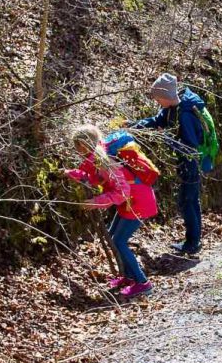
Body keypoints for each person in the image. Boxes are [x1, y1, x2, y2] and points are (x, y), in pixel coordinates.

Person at [65, 124, 156, 298]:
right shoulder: (98, 156)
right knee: (113, 236)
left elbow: (122, 192)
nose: (76, 151)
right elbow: (95, 178)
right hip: (131, 202)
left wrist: (96, 202)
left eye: (77, 146)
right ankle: (128, 277)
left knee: (119, 241)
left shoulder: (105, 160)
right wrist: (70, 173)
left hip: (138, 202)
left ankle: (142, 282)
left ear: (83, 145)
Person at [129, 74, 207, 256]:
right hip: (185, 162)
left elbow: (189, 146)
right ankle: (194, 240)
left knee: (187, 201)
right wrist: (133, 125)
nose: (157, 101)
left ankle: (192, 243)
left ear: (167, 96)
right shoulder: (172, 109)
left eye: (158, 98)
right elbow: (156, 121)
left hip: (191, 164)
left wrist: (167, 138)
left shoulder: (184, 115)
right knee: (190, 200)